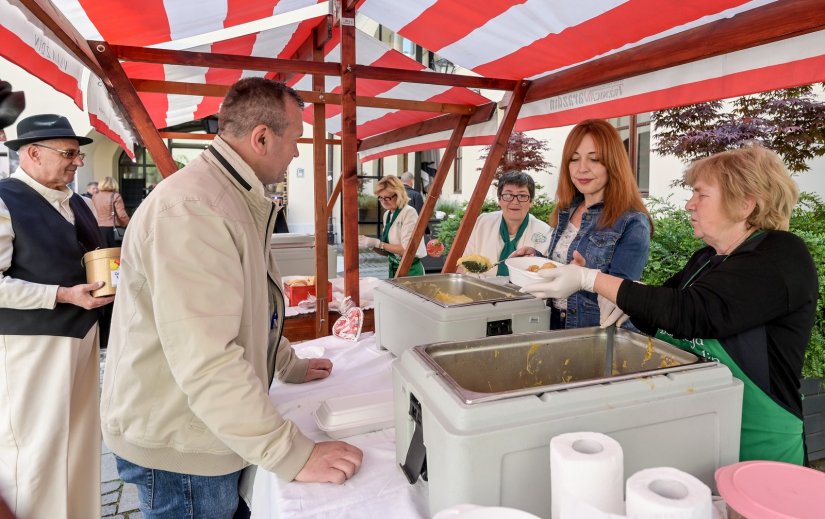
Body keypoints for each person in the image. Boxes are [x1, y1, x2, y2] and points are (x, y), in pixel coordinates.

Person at [101, 78, 363, 518]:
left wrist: (285, 363)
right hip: (180, 442)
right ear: (262, 137)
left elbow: (250, 303)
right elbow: (207, 357)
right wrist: (292, 454)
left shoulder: (230, 195)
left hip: (201, 428)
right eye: (295, 139)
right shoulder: (195, 209)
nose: (297, 152)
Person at [523, 145, 818, 464]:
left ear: (745, 204)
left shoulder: (780, 257)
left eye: (701, 195)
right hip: (701, 429)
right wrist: (620, 297)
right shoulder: (708, 258)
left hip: (757, 443)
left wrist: (590, 279)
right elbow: (662, 309)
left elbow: (691, 313)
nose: (689, 204)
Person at [0, 114, 113, 518]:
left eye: (78, 154)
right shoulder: (3, 198)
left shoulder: (75, 200)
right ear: (32, 153)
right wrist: (62, 294)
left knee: (79, 447)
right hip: (31, 345)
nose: (78, 162)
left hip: (81, 337)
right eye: (69, 153)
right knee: (34, 452)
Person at [515, 119, 652, 329]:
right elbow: (562, 270)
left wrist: (584, 277)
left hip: (598, 336)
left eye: (594, 159)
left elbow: (622, 298)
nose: (581, 169)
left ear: (613, 164)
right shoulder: (566, 210)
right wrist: (538, 260)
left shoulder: (632, 222)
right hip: (553, 324)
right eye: (574, 159)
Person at [462, 171, 552, 278]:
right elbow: (465, 266)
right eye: (508, 195)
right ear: (499, 199)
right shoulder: (482, 222)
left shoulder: (545, 232)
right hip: (480, 289)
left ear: (531, 201)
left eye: (522, 196)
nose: (515, 202)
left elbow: (543, 275)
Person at [358, 175, 427, 278]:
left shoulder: (409, 212)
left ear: (399, 195)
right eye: (381, 198)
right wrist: (371, 245)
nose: (384, 201)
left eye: (388, 197)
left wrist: (378, 243)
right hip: (394, 269)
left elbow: (406, 250)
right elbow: (387, 252)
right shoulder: (388, 214)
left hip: (410, 271)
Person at [92, 176, 130, 247]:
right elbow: (121, 215)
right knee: (114, 254)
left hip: (98, 228)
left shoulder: (95, 196)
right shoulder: (115, 196)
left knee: (102, 253)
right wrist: (128, 224)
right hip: (112, 229)